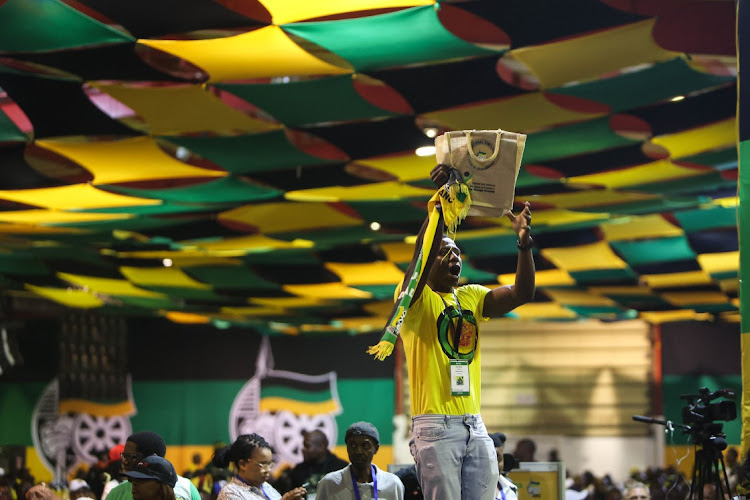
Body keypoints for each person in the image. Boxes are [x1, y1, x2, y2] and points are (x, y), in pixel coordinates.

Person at [401, 163, 535, 500]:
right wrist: (442, 204)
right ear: (428, 263)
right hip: (435, 426)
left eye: (457, 251)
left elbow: (522, 294)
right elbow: (420, 254)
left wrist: (523, 244)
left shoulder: (470, 297)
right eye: (444, 252)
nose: (453, 257)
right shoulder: (416, 302)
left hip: (474, 423)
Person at [316, 422, 404, 500]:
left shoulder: (392, 484)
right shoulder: (329, 484)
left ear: (376, 448)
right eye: (353, 445)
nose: (358, 451)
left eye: (365, 446)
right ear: (347, 448)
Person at [106, 431, 200, 500]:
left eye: (131, 457)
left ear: (153, 458)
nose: (124, 462)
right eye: (123, 456)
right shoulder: (116, 493)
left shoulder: (186, 488)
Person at [213, 434, 306, 500]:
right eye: (263, 464)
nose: (268, 469)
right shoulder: (230, 493)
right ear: (243, 464)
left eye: (270, 464)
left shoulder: (266, 487)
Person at [276, 430, 348, 494]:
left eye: (307, 446)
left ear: (321, 447)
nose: (303, 449)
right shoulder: (298, 470)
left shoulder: (342, 469)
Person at [490, 433, 518, 500]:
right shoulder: (468, 489)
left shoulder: (511, 488)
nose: (495, 465)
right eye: (491, 460)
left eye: (498, 459)